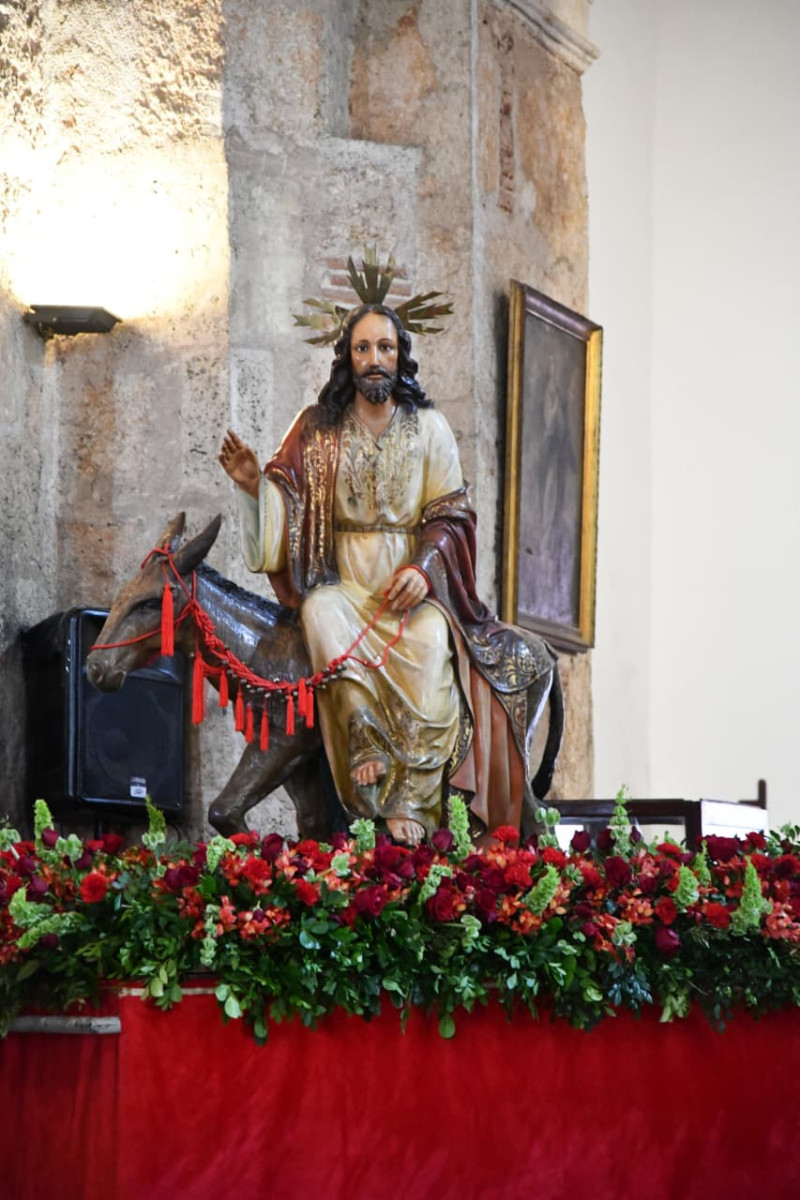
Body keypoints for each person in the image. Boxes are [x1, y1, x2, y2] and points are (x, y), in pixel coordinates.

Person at [219, 304, 555, 846]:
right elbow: (288, 507)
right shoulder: (317, 429)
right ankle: (364, 737)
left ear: (401, 357)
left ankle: (413, 803)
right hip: (345, 583)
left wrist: (424, 570)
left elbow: (451, 515)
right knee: (319, 609)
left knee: (429, 640)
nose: (374, 360)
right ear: (347, 358)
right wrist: (254, 486)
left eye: (385, 348)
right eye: (363, 348)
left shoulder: (430, 429)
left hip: (407, 590)